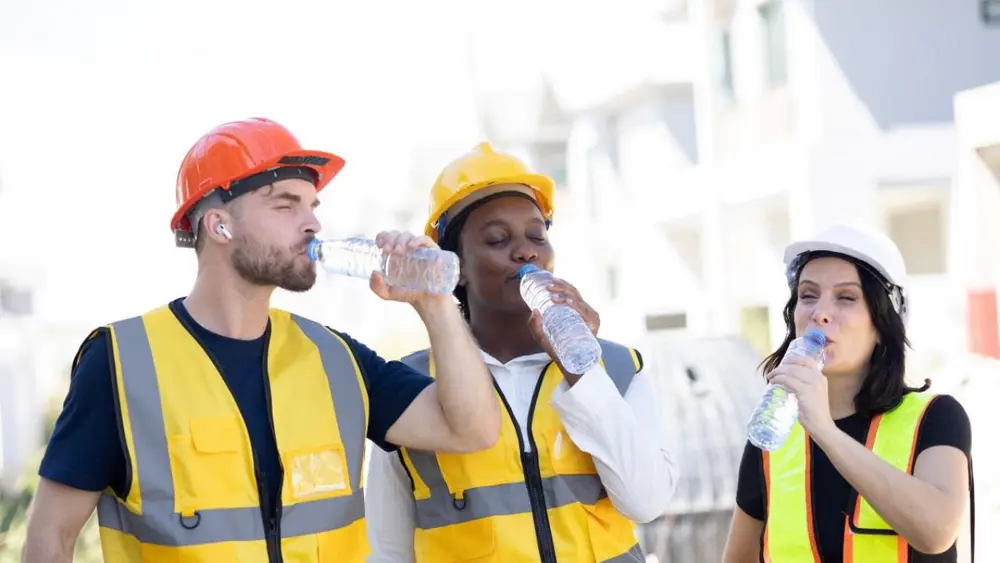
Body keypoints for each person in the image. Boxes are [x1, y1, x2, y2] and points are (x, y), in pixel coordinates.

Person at [22, 118, 500, 563]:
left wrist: (434, 304)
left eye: (312, 206)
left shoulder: (336, 360)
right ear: (219, 225)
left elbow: (472, 431)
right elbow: (50, 537)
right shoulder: (122, 363)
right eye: (285, 204)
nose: (312, 224)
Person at [364, 142, 678, 563]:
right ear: (455, 267)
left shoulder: (618, 368)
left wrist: (581, 370)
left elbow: (646, 502)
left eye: (537, 236)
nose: (527, 251)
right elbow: (388, 551)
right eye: (497, 239)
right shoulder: (411, 388)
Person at [722, 224, 975, 563]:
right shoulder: (772, 437)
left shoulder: (934, 418)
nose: (820, 313)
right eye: (807, 295)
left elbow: (936, 532)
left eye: (846, 297)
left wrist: (825, 431)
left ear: (883, 324)